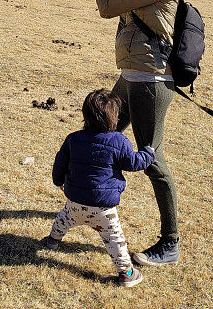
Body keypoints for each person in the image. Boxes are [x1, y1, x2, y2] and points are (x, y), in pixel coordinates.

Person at [86, 0, 193, 267]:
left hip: (151, 78)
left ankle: (170, 242)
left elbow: (107, 5)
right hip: (133, 72)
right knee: (104, 134)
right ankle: (90, 201)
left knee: (152, 159)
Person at [42, 89, 155, 287]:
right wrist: (148, 153)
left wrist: (58, 181)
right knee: (114, 240)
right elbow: (134, 162)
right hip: (103, 209)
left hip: (75, 200)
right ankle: (127, 273)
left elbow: (59, 162)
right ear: (115, 117)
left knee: (64, 218)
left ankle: (52, 241)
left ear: (85, 114)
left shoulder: (73, 139)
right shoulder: (119, 141)